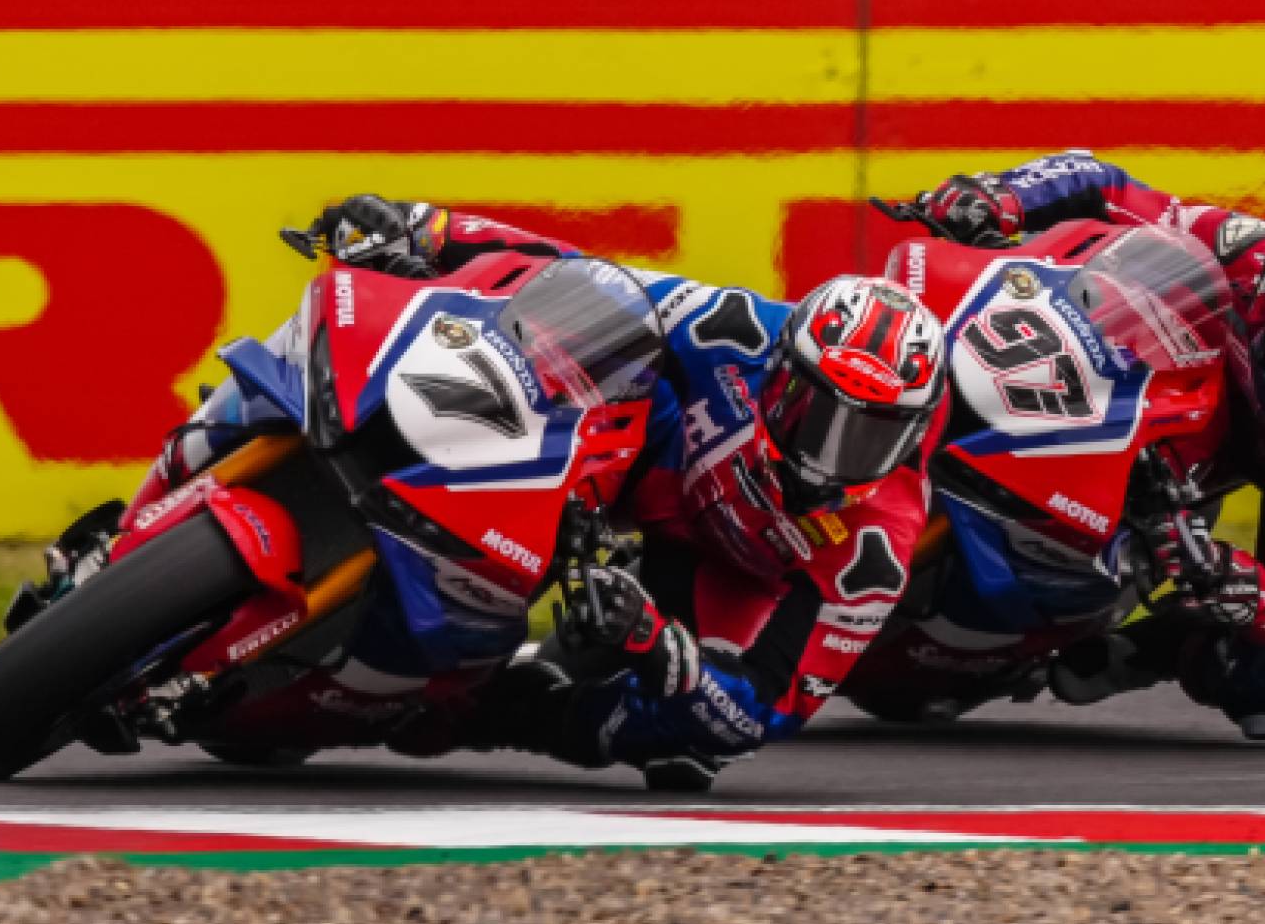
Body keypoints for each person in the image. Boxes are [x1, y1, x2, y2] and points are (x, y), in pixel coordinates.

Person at [286, 195, 949, 790]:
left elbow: (770, 707)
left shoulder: (874, 543)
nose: (830, 455)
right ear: (781, 370)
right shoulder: (735, 329)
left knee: (693, 743)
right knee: (588, 336)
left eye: (869, 433)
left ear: (913, 430)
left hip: (725, 578)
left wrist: (655, 642)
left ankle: (509, 713)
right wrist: (424, 230)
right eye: (819, 414)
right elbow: (574, 276)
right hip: (640, 463)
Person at [882, 153, 1265, 741]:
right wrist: (998, 196)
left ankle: (1149, 649)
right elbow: (1103, 183)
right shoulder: (1247, 251)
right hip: (1204, 403)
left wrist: (1224, 577)